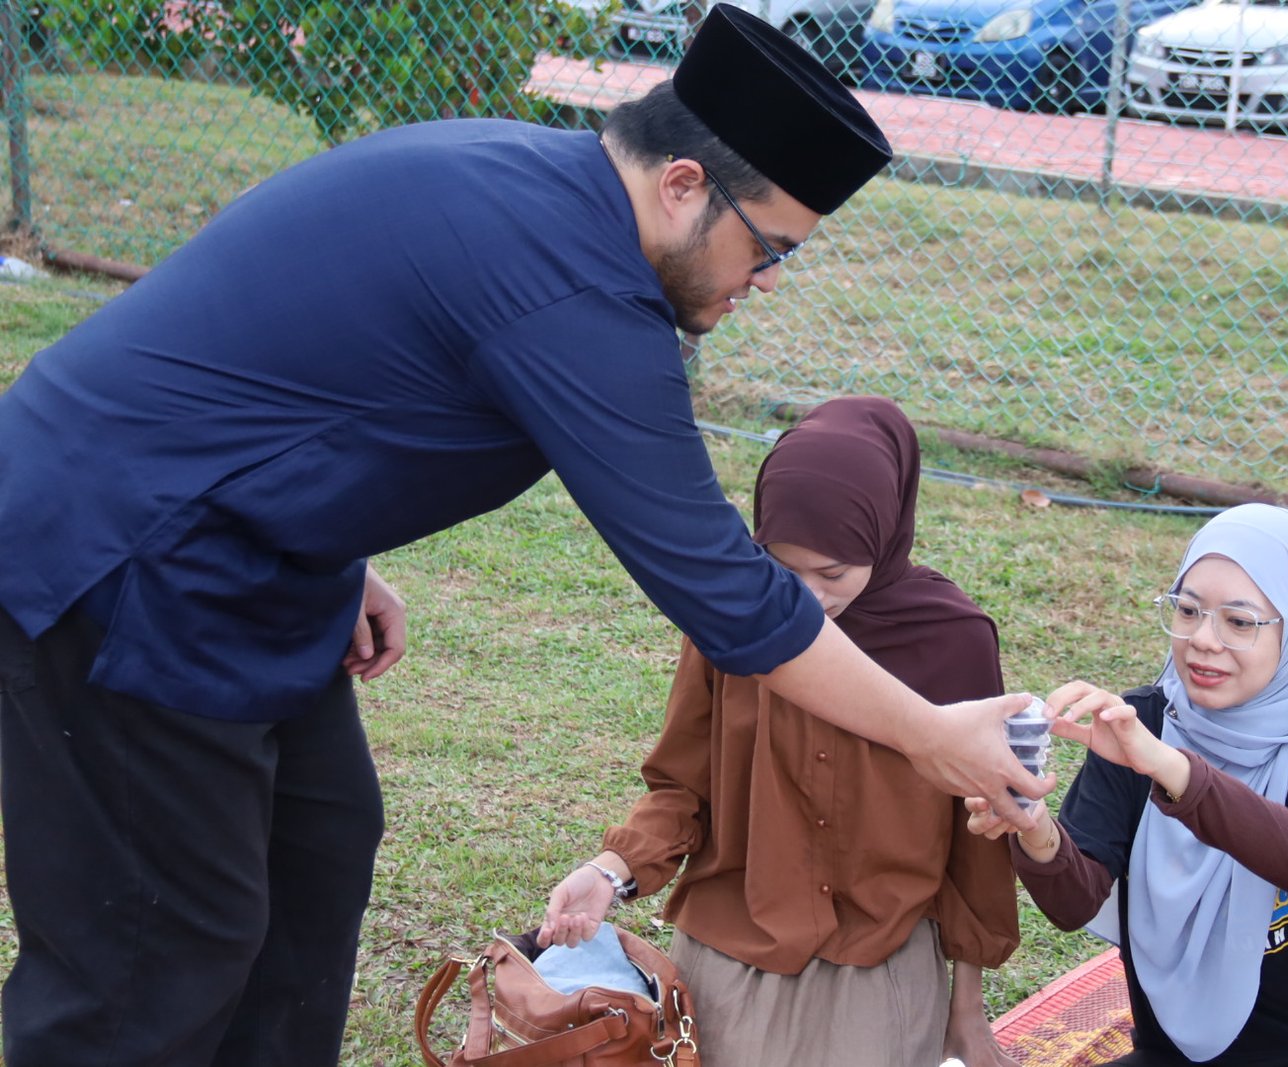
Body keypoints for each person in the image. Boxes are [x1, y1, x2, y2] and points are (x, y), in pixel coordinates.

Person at [0, 8, 1048, 1066]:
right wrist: (926, 731)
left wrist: (335, 538)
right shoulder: (577, 289)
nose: (769, 277)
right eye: (768, 245)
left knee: (316, 850)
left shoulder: (530, 178)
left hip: (252, 548)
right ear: (683, 184)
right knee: (155, 944)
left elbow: (306, 355)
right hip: (124, 554)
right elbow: (728, 591)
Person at [538, 397, 1023, 1066]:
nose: (808, 598)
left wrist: (965, 1013)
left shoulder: (951, 640)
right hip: (734, 940)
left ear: (884, 534)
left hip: (877, 955)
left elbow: (978, 841)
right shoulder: (735, 618)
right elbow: (682, 786)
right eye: (782, 569)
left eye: (833, 573)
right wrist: (610, 871)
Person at [968, 504, 1288, 1067]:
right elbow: (1075, 903)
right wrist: (1036, 830)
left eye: (1239, 622)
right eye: (1189, 610)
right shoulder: (1138, 725)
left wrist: (1172, 769)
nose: (1202, 640)